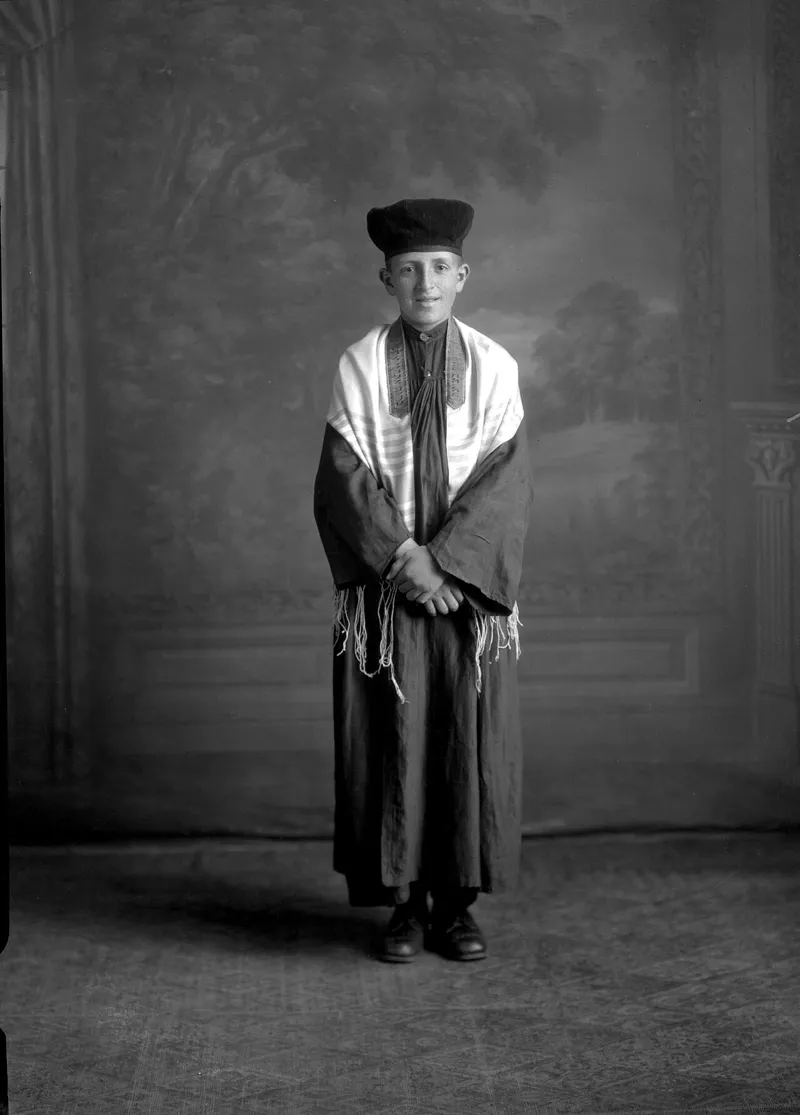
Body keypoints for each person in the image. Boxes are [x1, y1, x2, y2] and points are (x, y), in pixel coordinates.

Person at [313, 197, 531, 963]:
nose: (425, 283)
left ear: (462, 275)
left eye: (439, 268)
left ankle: (456, 907)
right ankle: (403, 906)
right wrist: (406, 559)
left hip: (465, 597)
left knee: (464, 742)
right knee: (391, 739)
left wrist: (448, 564)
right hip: (389, 598)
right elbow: (344, 476)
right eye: (409, 270)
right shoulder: (360, 365)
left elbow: (506, 479)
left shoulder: (496, 365)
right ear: (386, 278)